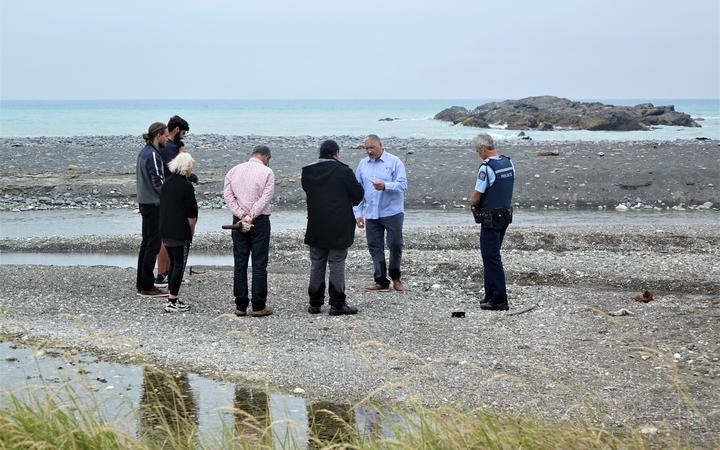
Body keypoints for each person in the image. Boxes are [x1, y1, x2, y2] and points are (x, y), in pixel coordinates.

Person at [301, 140, 364, 315]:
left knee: (316, 262)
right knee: (336, 262)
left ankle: (314, 303)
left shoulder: (307, 171)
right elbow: (358, 195)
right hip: (339, 224)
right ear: (336, 154)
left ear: (320, 153)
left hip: (315, 223)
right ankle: (337, 303)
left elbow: (308, 191)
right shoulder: (343, 171)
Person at [223, 145, 275, 317]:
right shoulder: (267, 172)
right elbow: (265, 197)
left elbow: (228, 196)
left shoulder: (233, 171)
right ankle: (259, 305)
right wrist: (251, 215)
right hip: (259, 221)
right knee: (259, 263)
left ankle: (240, 305)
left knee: (240, 262)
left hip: (238, 220)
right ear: (266, 157)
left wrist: (241, 214)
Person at [353, 134, 408, 293]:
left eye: (372, 148)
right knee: (375, 247)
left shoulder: (394, 162)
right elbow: (358, 190)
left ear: (381, 146)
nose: (369, 151)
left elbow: (403, 185)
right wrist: (358, 213)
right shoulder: (363, 164)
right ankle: (380, 280)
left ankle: (396, 277)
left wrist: (385, 186)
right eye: (367, 148)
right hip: (371, 213)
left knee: (395, 244)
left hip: (392, 211)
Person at [469, 133, 515, 311]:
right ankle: (490, 295)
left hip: (490, 218)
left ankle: (499, 299)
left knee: (491, 257)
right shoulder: (508, 163)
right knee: (491, 255)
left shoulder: (486, 168)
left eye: (476, 150)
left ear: (482, 148)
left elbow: (476, 196)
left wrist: (473, 203)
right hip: (505, 215)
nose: (477, 153)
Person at [155, 115, 194, 288]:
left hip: (168, 193)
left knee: (166, 236)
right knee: (168, 238)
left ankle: (168, 272)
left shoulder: (171, 146)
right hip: (170, 194)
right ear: (177, 130)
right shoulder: (169, 148)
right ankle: (163, 273)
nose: (184, 137)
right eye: (183, 133)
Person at [159, 152, 198, 313]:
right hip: (180, 231)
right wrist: (191, 232)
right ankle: (172, 300)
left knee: (173, 264)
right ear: (187, 167)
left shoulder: (166, 183)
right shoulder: (186, 186)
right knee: (178, 265)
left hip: (165, 229)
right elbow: (191, 213)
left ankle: (172, 297)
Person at [135, 122, 170, 297]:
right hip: (153, 204)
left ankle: (142, 283)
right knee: (153, 244)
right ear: (158, 135)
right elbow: (158, 183)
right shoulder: (153, 155)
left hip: (145, 202)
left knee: (146, 243)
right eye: (165, 135)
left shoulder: (144, 152)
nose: (167, 138)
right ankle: (147, 286)